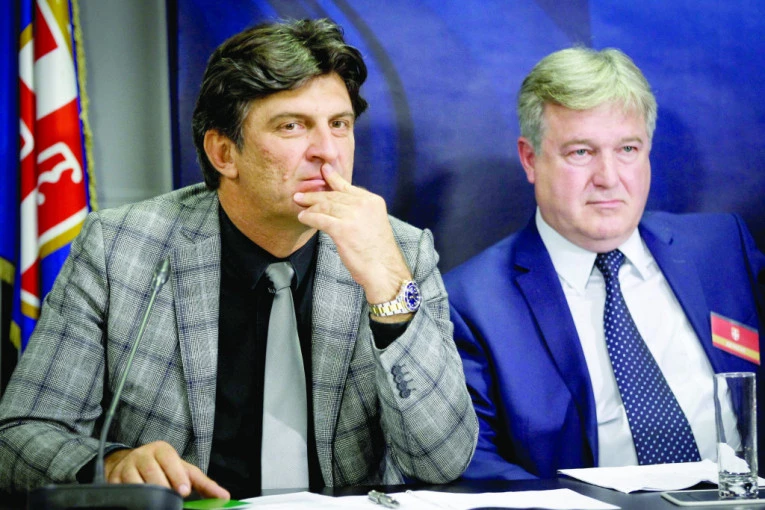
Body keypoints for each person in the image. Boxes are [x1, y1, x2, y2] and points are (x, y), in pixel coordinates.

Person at [0, 19, 477, 498]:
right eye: (292, 126)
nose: (327, 152)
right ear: (224, 153)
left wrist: (389, 291)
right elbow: (19, 437)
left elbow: (442, 461)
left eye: (340, 124)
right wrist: (112, 463)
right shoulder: (121, 249)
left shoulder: (399, 252)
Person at [445, 46, 765, 480]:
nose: (609, 178)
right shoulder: (471, 303)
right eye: (581, 152)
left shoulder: (723, 248)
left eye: (628, 149)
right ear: (530, 159)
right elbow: (468, 462)